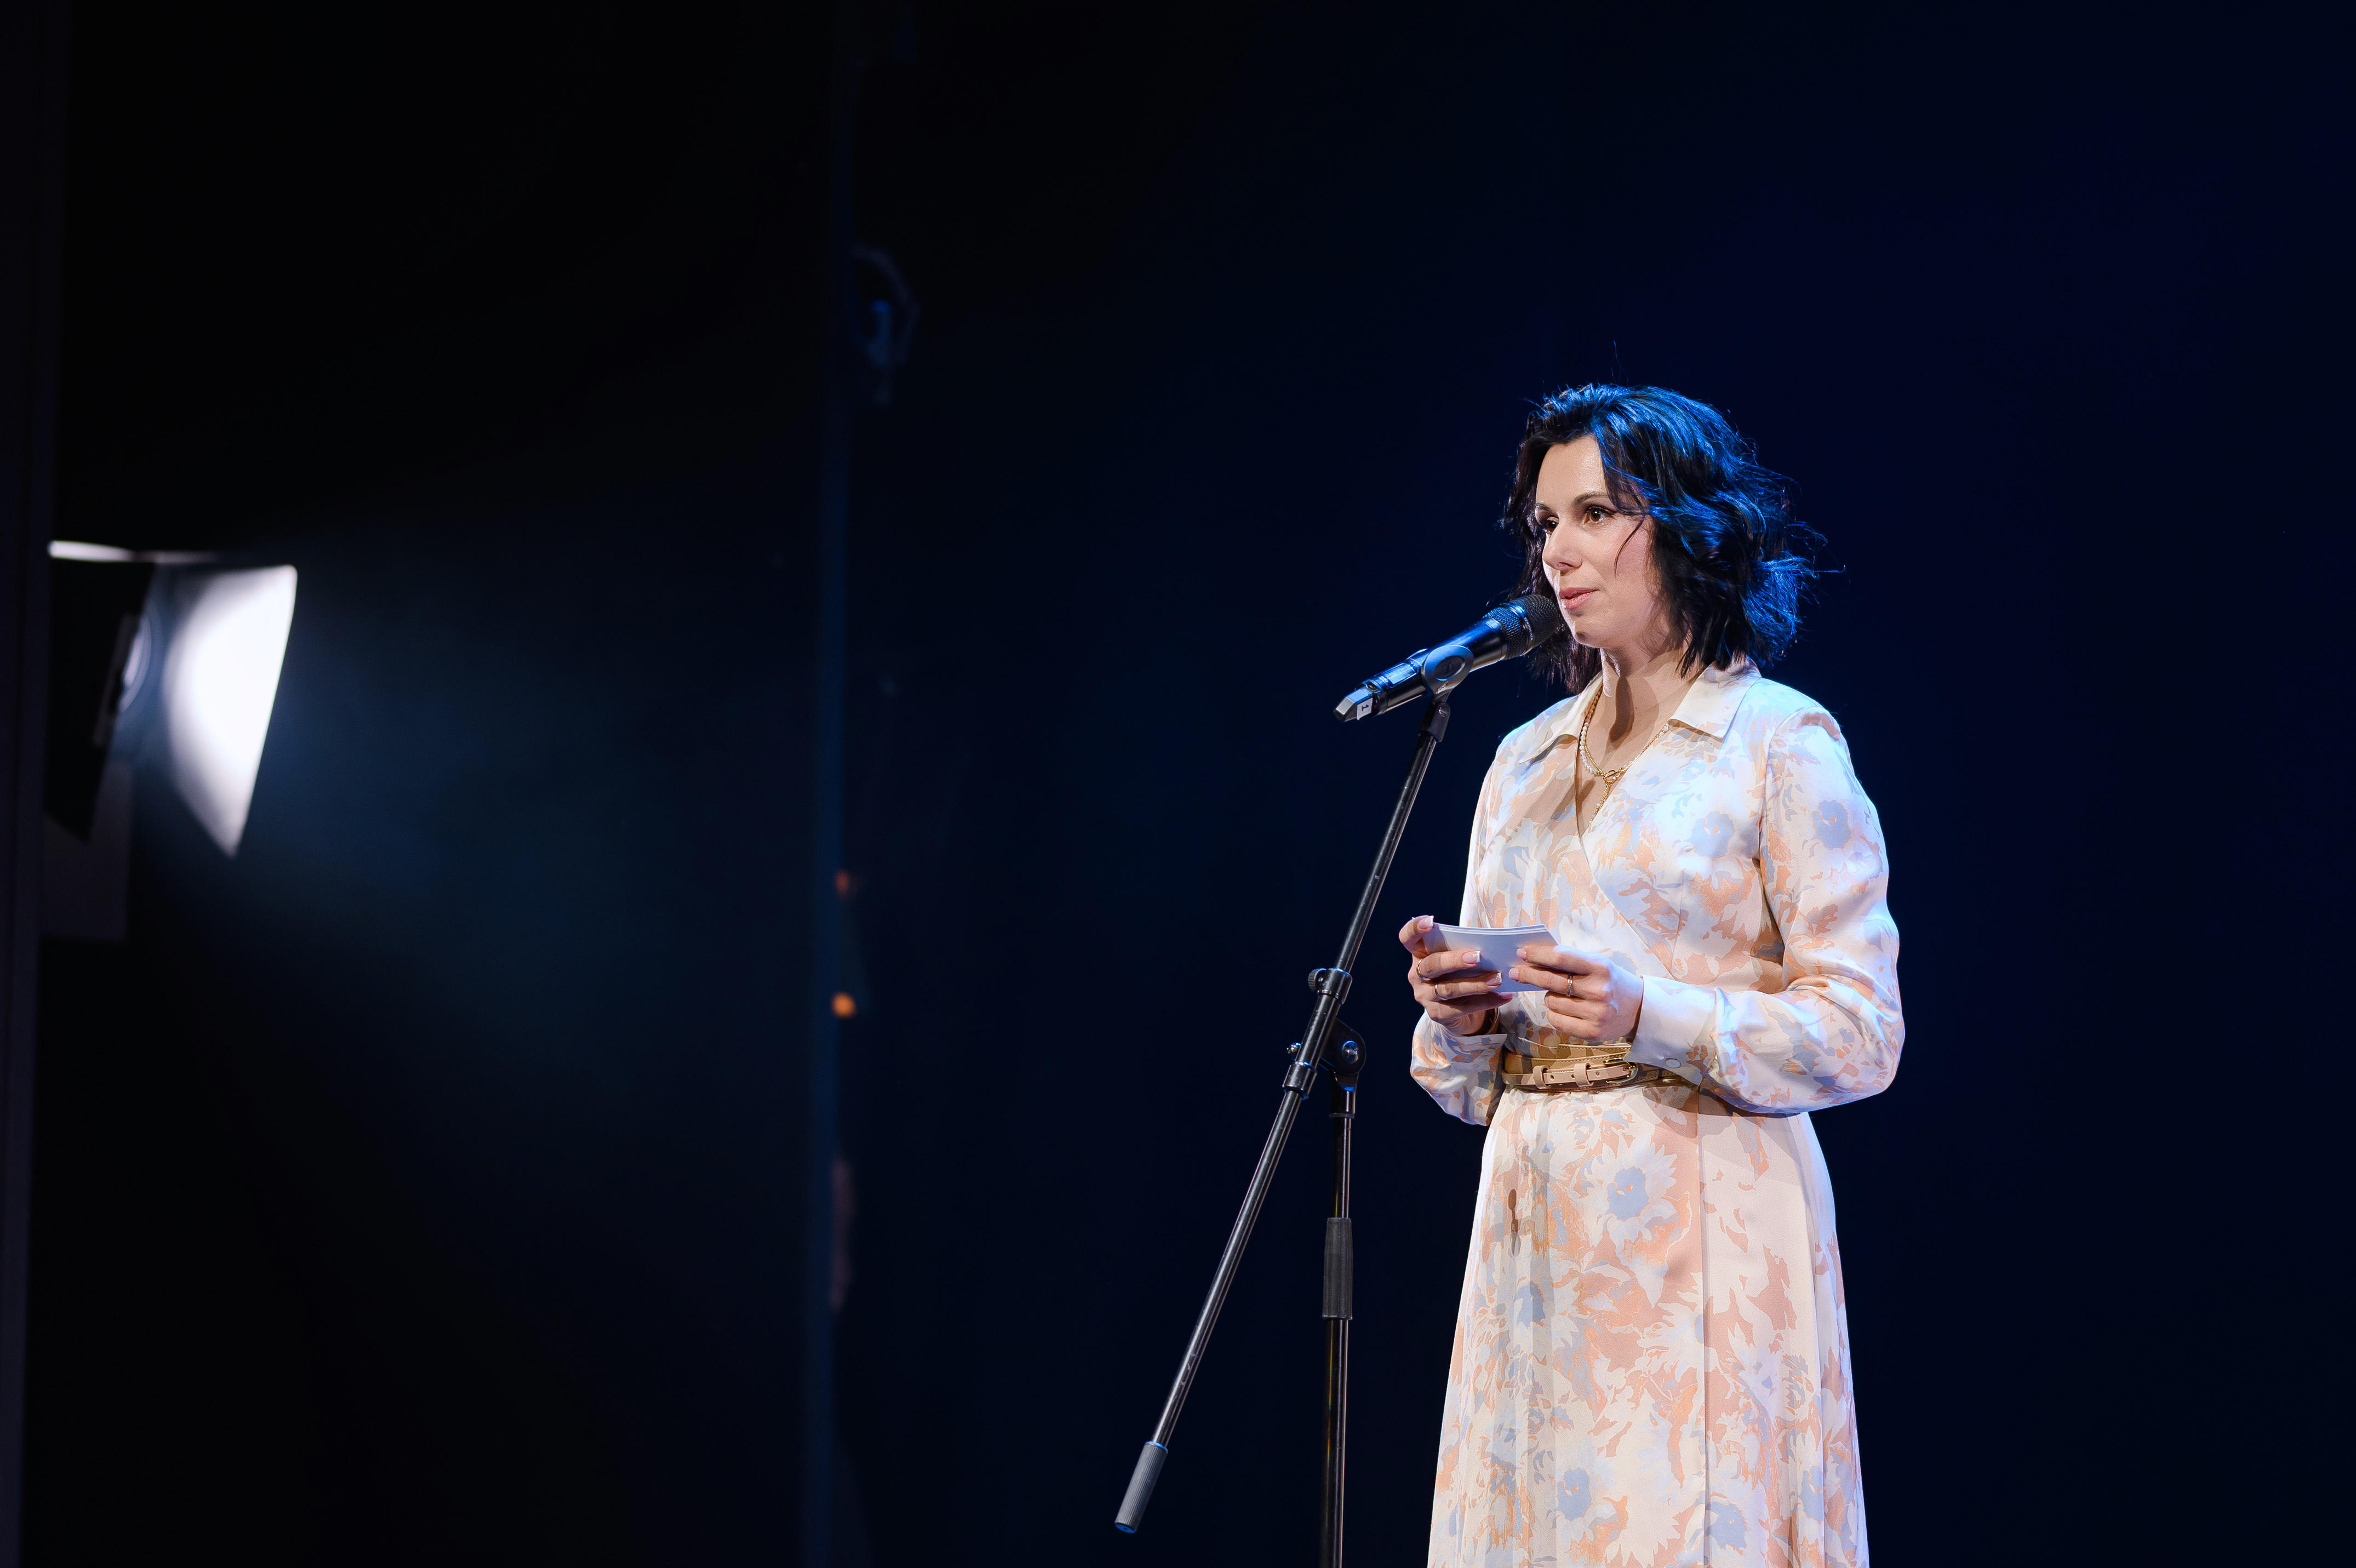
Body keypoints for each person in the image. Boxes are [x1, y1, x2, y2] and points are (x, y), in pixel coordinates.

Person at [1400, 385, 1901, 1567]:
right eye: (1544, 524)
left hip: (1699, 1235)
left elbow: (1862, 1030)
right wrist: (1457, 1018)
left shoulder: (1777, 742)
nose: (1559, 552)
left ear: (1685, 528)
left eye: (1594, 514)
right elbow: (1462, 1087)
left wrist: (1649, 1012)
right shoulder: (1521, 763)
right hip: (1534, 1237)